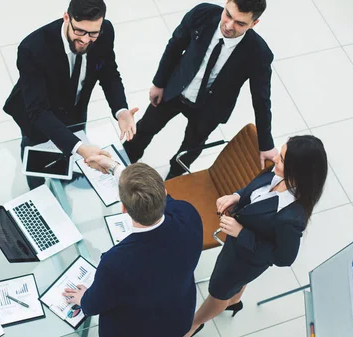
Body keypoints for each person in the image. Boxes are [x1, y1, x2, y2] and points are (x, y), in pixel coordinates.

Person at [185, 135, 328, 336]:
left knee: (218, 292)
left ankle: (195, 323)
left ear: (298, 172)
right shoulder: (277, 171)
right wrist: (236, 196)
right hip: (238, 245)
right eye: (281, 152)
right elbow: (255, 191)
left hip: (246, 258)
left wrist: (241, 232)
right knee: (231, 288)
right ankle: (234, 301)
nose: (276, 158)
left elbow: (283, 258)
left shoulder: (291, 217)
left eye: (283, 159)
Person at [123, 0, 277, 180]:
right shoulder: (202, 14)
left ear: (254, 23)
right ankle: (125, 160)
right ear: (226, 3)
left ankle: (175, 175)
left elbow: (261, 99)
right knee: (145, 128)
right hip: (175, 90)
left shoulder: (259, 53)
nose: (228, 26)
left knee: (190, 148)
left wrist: (266, 143)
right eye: (228, 14)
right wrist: (159, 83)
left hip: (209, 109)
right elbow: (175, 46)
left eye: (240, 23)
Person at [3, 0, 138, 189]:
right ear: (66, 18)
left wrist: (121, 110)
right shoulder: (32, 48)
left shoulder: (105, 32)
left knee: (68, 147)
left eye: (92, 33)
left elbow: (109, 73)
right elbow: (38, 111)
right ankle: (37, 185)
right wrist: (81, 149)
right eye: (79, 31)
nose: (85, 40)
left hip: (75, 110)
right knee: (35, 154)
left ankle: (63, 177)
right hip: (37, 114)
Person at [62, 162, 203, 337]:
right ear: (164, 194)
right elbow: (171, 201)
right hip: (177, 319)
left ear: (124, 209)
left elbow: (93, 306)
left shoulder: (115, 263)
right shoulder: (188, 214)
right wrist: (115, 168)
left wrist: (83, 299)